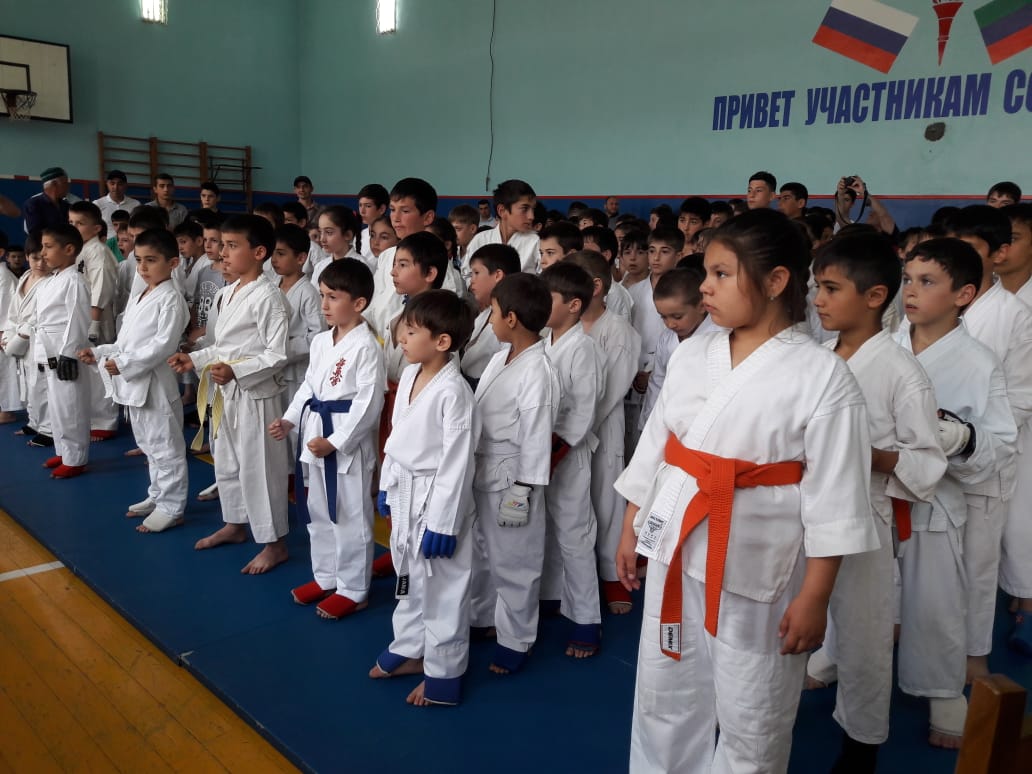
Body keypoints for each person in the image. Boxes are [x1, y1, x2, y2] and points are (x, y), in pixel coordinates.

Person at [614, 209, 879, 773]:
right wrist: (632, 522)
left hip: (759, 563)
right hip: (676, 541)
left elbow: (836, 497)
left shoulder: (823, 376)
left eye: (721, 274)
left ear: (776, 280)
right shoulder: (693, 353)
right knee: (665, 691)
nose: (705, 288)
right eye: (706, 273)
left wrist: (815, 597)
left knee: (753, 711)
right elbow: (658, 443)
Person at [808, 232, 947, 770]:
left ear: (873, 296)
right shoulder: (816, 358)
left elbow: (926, 460)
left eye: (831, 289)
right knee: (795, 610)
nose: (818, 299)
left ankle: (862, 741)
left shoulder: (900, 371)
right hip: (805, 504)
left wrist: (865, 454)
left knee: (864, 630)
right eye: (817, 287)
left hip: (863, 513)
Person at [893, 237, 1017, 748]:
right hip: (876, 491)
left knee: (934, 600)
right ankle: (838, 652)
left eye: (927, 282)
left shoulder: (978, 361)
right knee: (855, 587)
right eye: (907, 279)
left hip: (934, 501)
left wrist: (961, 438)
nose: (911, 291)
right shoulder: (885, 346)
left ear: (964, 294)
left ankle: (941, 687)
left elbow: (1002, 443)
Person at [370, 290, 480, 706]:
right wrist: (387, 484)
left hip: (437, 500)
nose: (401, 337)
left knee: (443, 588)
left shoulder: (455, 393)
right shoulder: (412, 375)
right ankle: (410, 645)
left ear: (442, 342)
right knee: (408, 577)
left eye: (412, 331)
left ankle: (445, 672)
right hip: (406, 492)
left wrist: (443, 524)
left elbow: (457, 464)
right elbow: (396, 438)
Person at [168, 214, 292, 575]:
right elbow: (221, 346)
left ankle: (274, 543)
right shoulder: (226, 293)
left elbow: (277, 354)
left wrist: (238, 370)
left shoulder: (269, 297)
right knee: (227, 461)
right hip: (224, 392)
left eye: (232, 245)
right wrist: (194, 358)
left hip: (257, 396)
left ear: (259, 252)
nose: (222, 252)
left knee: (260, 468)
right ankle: (235, 523)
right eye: (222, 245)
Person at [943, 205, 1032, 680]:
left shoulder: (1014, 316)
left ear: (997, 254)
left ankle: (973, 655)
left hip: (984, 458)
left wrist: (969, 439)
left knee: (977, 565)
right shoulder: (937, 304)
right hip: (929, 458)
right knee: (926, 565)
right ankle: (919, 644)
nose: (956, 255)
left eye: (970, 248)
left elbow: (1021, 398)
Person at [271, 258, 384, 618]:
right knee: (318, 512)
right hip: (315, 434)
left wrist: (336, 442)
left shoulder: (367, 347)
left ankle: (354, 589)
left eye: (333, 297)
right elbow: (309, 387)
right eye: (322, 295)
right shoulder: (322, 341)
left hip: (345, 442)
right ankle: (326, 576)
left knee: (349, 516)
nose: (324, 305)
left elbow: (369, 403)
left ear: (359, 303)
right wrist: (290, 420)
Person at [470, 272, 559, 675]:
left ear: (511, 318)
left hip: (514, 477)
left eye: (492, 312)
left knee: (515, 560)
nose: (489, 319)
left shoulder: (537, 370)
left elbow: (537, 437)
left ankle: (516, 639)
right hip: (485, 467)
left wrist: (523, 490)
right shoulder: (499, 358)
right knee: (484, 551)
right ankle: (484, 616)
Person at [77, 228, 190, 532]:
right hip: (135, 384)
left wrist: (123, 363)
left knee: (166, 447)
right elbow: (126, 341)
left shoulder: (171, 299)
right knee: (149, 445)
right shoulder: (141, 294)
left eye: (151, 260)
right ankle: (158, 495)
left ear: (173, 263)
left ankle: (172, 506)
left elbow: (163, 346)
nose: (142, 267)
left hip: (156, 384)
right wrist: (100, 352)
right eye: (139, 260)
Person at [566, 250, 640, 614]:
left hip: (602, 427)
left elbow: (611, 391)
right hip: (566, 431)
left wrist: (578, 427)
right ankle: (571, 577)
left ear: (594, 287)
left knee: (606, 500)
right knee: (572, 505)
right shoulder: (564, 326)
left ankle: (613, 575)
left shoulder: (619, 331)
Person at [539, 262, 604, 658]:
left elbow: (582, 412)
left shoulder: (584, 348)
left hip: (566, 452)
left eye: (547, 299)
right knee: (544, 529)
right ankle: (551, 594)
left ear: (574, 304)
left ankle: (586, 619)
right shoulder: (543, 341)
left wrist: (552, 451)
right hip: (538, 452)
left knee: (575, 533)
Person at [998, 203, 1032, 653]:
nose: (1004, 247)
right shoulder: (981, 298)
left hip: (1023, 419)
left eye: (1016, 238)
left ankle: (1027, 598)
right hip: (988, 422)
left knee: (1023, 516)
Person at [35, 224, 91, 478]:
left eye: (48, 247)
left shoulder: (75, 280)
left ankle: (76, 457)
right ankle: (63, 449)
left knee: (70, 404)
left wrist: (69, 352)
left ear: (69, 249)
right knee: (56, 405)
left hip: (65, 350)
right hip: (49, 348)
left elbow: (78, 318)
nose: (43, 253)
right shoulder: (52, 280)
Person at [625, 227, 683, 456]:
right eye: (651, 251)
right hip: (633, 370)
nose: (656, 258)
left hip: (664, 370)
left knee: (658, 440)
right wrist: (634, 370)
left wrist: (652, 371)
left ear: (678, 255)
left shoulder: (685, 293)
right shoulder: (633, 292)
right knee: (631, 438)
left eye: (664, 251)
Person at [68, 201, 121, 441]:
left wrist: (94, 322)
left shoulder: (98, 251)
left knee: (99, 369)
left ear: (97, 227)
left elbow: (102, 289)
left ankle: (105, 421)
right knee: (87, 368)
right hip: (83, 315)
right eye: (71, 222)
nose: (74, 227)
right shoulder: (79, 250)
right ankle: (92, 417)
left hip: (97, 317)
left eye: (80, 223)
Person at [639, 267, 709, 430]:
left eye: (677, 317)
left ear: (701, 306)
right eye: (663, 317)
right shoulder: (667, 338)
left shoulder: (718, 337)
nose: (670, 324)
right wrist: (648, 425)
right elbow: (657, 383)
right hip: (666, 421)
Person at [1, 236, 51, 443]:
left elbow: (41, 317)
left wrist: (19, 337)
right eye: (35, 258)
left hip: (39, 340)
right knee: (28, 384)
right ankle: (34, 422)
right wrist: (8, 334)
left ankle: (48, 430)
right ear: (28, 257)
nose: (40, 263)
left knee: (43, 386)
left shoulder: (51, 282)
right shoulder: (26, 276)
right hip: (20, 336)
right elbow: (13, 312)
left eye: (44, 258)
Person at [272, 224, 324, 406]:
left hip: (296, 372)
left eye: (281, 254)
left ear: (301, 258)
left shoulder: (308, 292)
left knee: (292, 416)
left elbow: (317, 335)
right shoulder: (271, 286)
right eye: (273, 253)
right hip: (271, 367)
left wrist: (283, 348)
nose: (274, 259)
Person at [460, 243, 519, 390]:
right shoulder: (487, 312)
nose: (471, 280)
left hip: (488, 387)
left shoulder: (509, 319)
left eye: (476, 273)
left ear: (498, 275)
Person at [465, 180, 540, 274]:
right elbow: (467, 274)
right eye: (524, 209)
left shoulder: (536, 242)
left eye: (533, 209)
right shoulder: (480, 240)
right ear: (502, 211)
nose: (531, 216)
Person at [582, 226, 633, 320]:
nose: (580, 257)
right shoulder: (580, 286)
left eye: (586, 253)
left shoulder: (616, 294)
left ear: (606, 255)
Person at [310, 206, 364, 287]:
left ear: (348, 235)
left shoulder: (363, 268)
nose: (322, 239)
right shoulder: (320, 266)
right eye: (320, 232)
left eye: (329, 232)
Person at [0, 234, 22, 423]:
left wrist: (2, 332)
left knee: (5, 370)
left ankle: (6, 411)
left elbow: (4, 307)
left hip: (3, 329)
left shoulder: (4, 276)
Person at [23, 167, 71, 242]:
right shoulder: (34, 204)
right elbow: (36, 234)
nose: (68, 186)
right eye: (65, 183)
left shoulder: (67, 206)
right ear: (54, 184)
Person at [93, 170, 141, 237]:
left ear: (125, 185)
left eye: (120, 184)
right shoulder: (97, 204)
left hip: (128, 241)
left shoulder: (135, 204)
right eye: (112, 183)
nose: (115, 187)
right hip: (105, 242)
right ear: (107, 184)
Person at [357, 183, 389, 266]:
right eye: (360, 205)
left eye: (368, 206)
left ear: (382, 209)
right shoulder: (358, 236)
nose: (362, 211)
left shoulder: (393, 237)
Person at [448, 204, 479, 274]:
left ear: (472, 229)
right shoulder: (453, 252)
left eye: (457, 229)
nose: (453, 233)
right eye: (451, 229)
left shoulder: (480, 255)